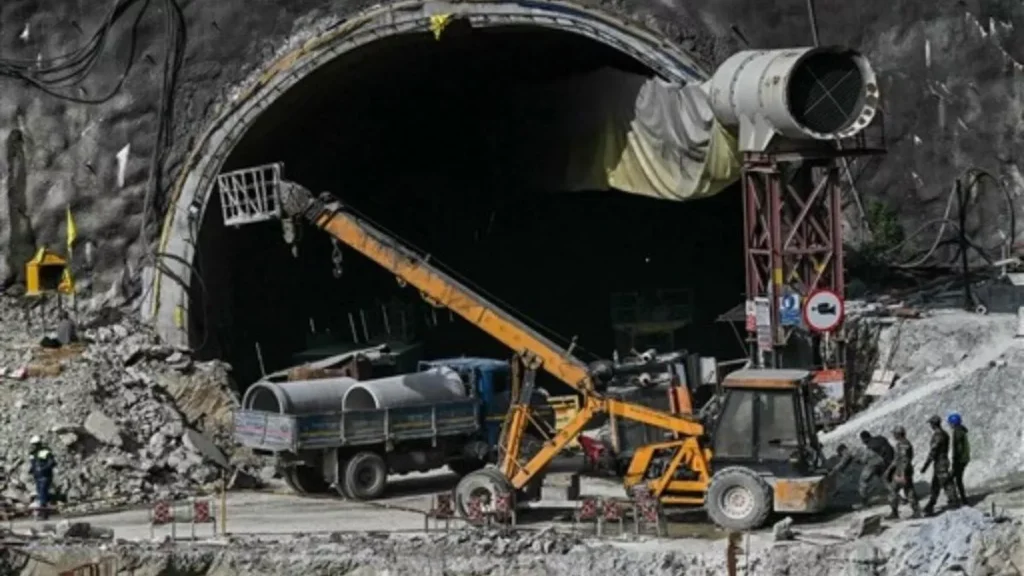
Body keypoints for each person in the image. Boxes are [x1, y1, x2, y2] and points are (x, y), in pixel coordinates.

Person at [921, 414, 960, 515]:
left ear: (934, 424)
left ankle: (954, 502)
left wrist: (926, 465)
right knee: (935, 485)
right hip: (941, 462)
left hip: (940, 462)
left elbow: (934, 451)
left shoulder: (938, 435)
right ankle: (930, 504)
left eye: (931, 424)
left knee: (947, 483)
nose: (931, 426)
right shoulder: (945, 434)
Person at [832, 442, 886, 507]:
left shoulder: (847, 452)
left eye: (841, 454)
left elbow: (843, 462)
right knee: (884, 478)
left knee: (862, 482)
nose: (842, 455)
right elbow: (847, 462)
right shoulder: (855, 448)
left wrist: (834, 469)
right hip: (879, 460)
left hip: (872, 463)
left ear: (842, 450)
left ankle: (864, 502)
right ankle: (895, 493)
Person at [885, 426, 921, 519]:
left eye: (894, 434)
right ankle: (916, 511)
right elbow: (896, 460)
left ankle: (894, 512)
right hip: (902, 471)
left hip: (902, 472)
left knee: (893, 491)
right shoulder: (901, 444)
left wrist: (902, 475)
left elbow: (904, 460)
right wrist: (889, 469)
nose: (893, 435)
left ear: (898, 434)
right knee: (909, 490)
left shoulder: (903, 445)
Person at [29, 435, 56, 520]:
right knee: (40, 493)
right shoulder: (33, 454)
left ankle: (43, 513)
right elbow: (33, 464)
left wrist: (43, 469)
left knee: (43, 493)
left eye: (34, 444)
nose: (33, 446)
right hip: (37, 477)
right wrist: (31, 470)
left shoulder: (45, 452)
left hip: (45, 476)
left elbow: (52, 463)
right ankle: (44, 512)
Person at [948, 413, 970, 504]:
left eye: (950, 423)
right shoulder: (961, 430)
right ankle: (957, 498)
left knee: (955, 479)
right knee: (956, 479)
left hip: (960, 460)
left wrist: (955, 460)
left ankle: (959, 499)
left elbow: (958, 448)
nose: (949, 424)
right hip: (964, 459)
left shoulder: (957, 432)